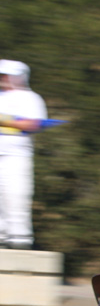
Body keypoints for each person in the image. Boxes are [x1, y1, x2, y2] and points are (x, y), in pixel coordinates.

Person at [0, 59, 47, 250]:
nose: (3, 79)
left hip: (16, 156)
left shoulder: (30, 99)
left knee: (16, 196)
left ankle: (20, 240)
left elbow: (34, 124)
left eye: (6, 75)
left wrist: (4, 120)